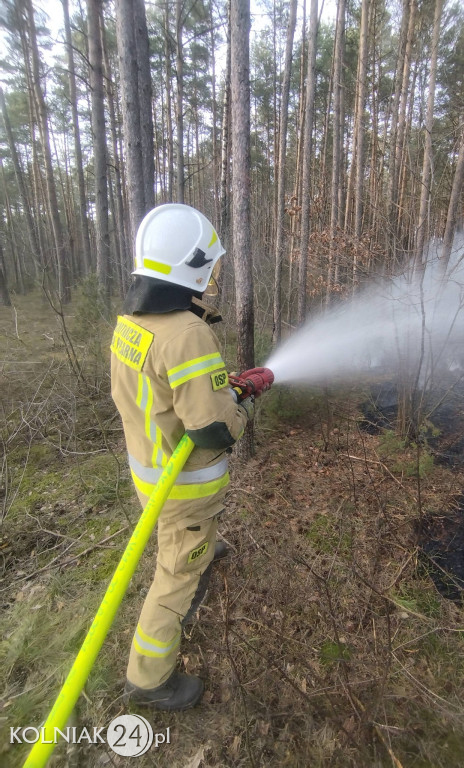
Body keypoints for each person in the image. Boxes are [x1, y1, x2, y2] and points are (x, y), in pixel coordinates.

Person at [110, 204, 265, 711]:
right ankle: (149, 678)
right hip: (185, 486)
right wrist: (240, 403)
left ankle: (204, 547)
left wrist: (223, 389)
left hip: (150, 471)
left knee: (186, 537)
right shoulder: (187, 333)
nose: (214, 274)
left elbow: (167, 394)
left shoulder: (132, 324)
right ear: (191, 265)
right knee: (176, 576)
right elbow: (213, 429)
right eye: (210, 265)